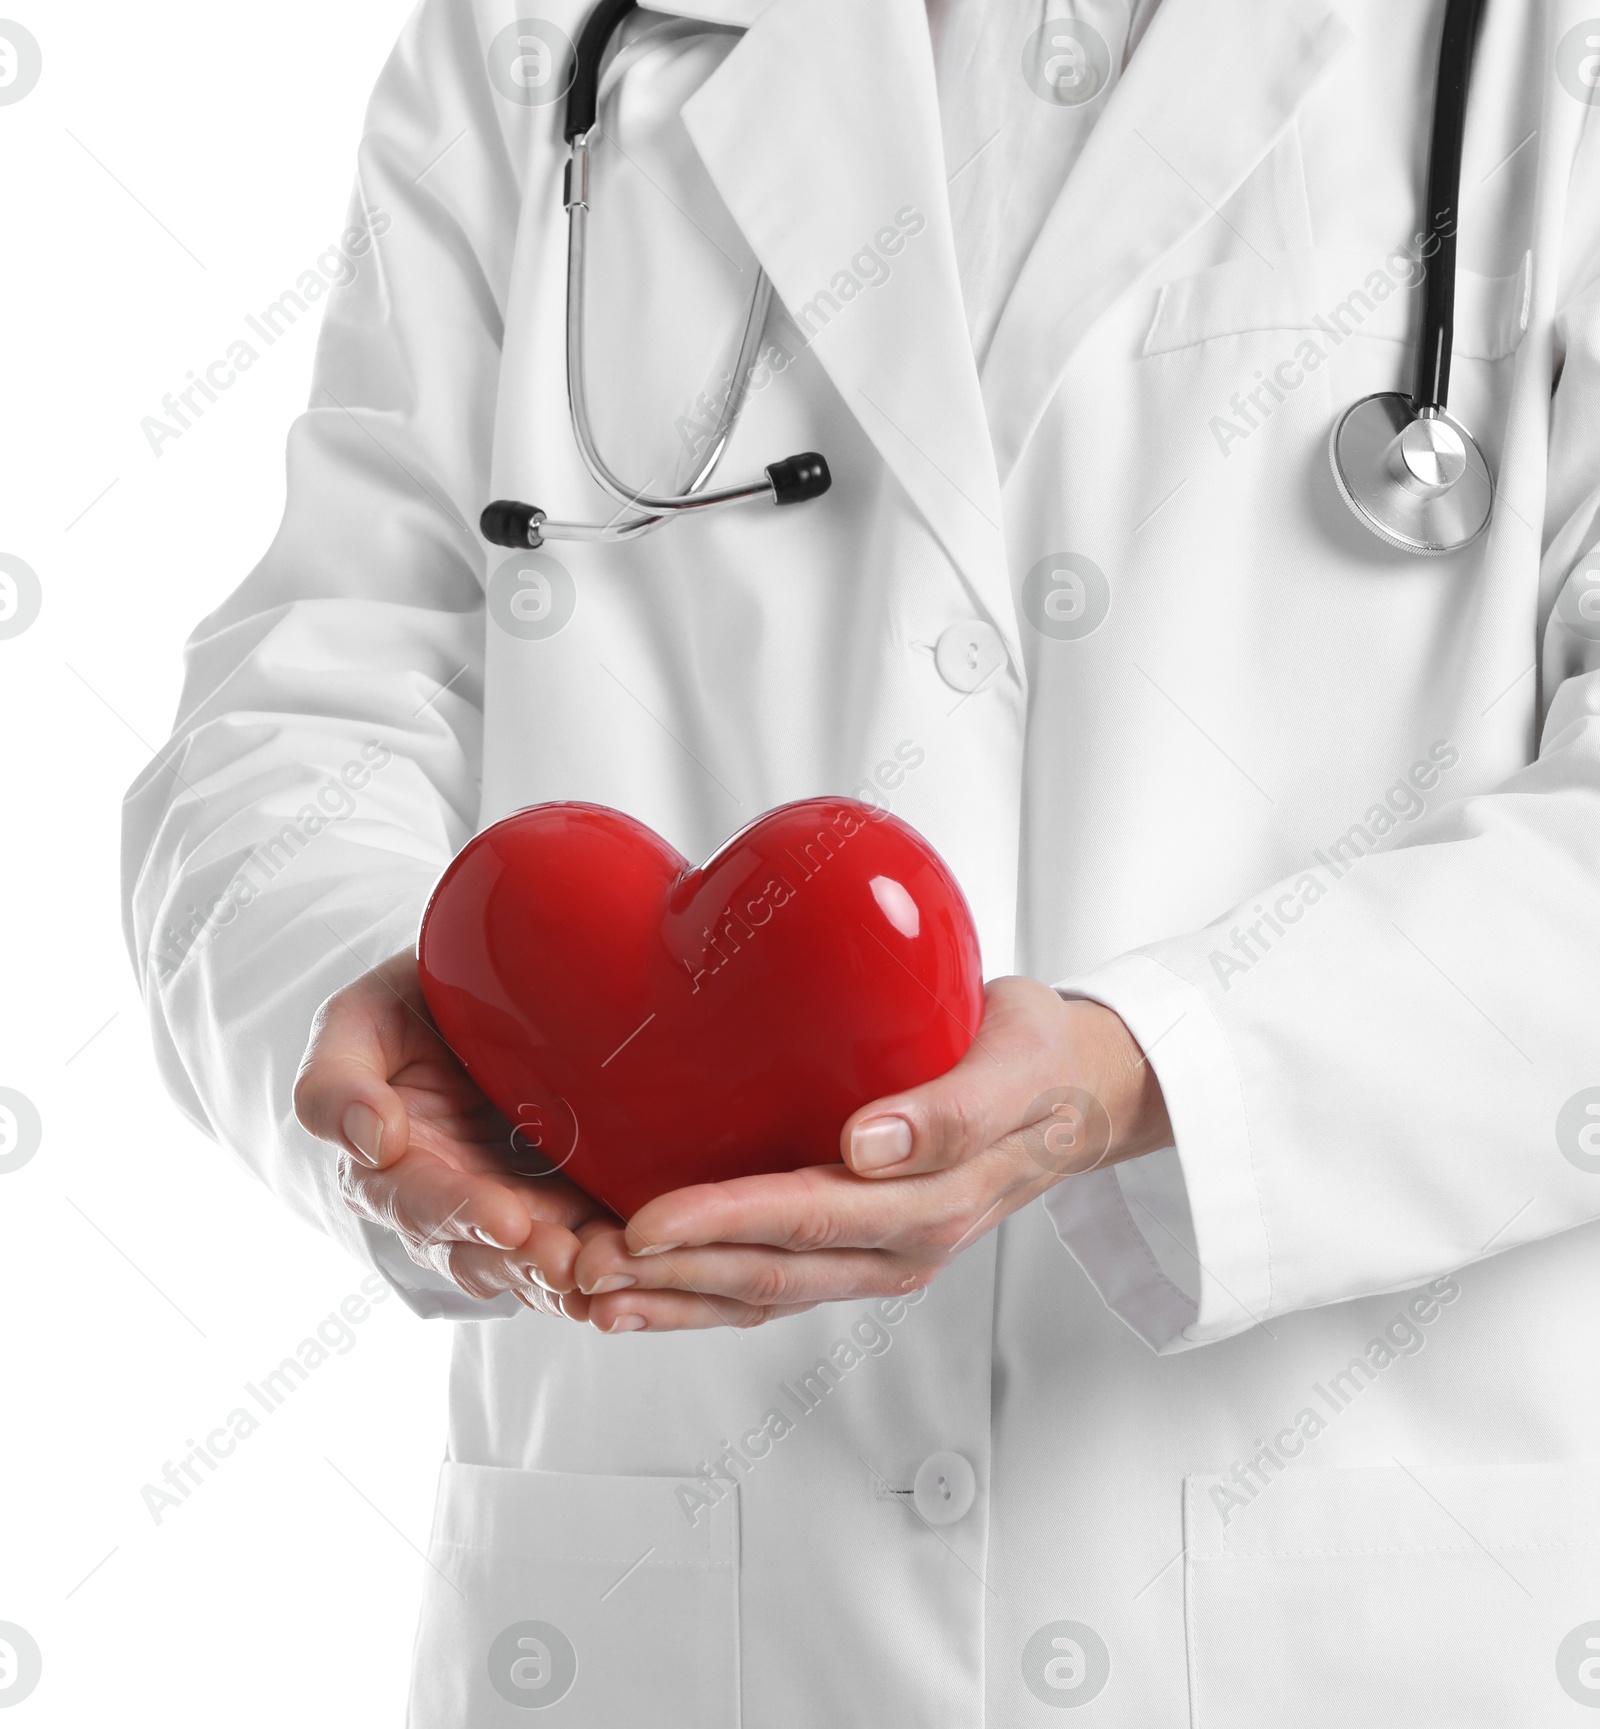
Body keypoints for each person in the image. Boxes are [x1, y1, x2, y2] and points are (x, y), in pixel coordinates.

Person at [123, 0, 1600, 1721]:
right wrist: (365, 992)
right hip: (677, 1621)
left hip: (1358, 1618)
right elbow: (303, 703)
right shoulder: (542, 47)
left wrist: (1150, 1071)